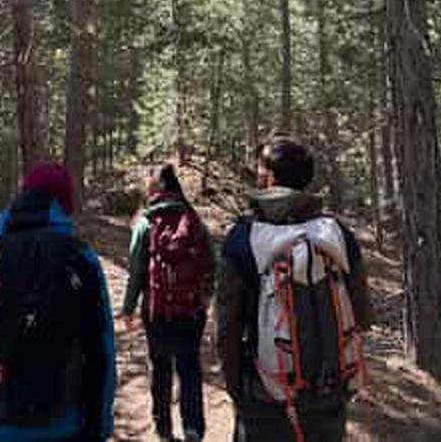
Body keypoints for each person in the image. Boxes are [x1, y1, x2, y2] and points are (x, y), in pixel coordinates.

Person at [0, 161, 116, 442]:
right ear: (65, 205)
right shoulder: (80, 259)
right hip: (63, 427)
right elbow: (101, 349)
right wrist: (98, 428)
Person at [218, 135, 373, 442]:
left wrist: (237, 389)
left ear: (270, 177)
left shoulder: (242, 238)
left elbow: (227, 328)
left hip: (265, 393)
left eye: (260, 168)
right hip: (329, 393)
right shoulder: (336, 233)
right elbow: (364, 315)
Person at [122, 163, 215, 442]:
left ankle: (163, 429)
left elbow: (137, 270)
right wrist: (205, 298)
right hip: (191, 310)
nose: (146, 184)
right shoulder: (193, 219)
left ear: (160, 185)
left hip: (157, 310)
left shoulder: (145, 222)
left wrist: (128, 307)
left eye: (150, 179)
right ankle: (193, 428)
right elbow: (211, 263)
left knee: (160, 366)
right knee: (189, 367)